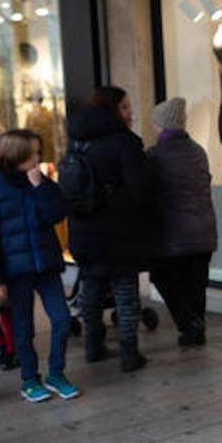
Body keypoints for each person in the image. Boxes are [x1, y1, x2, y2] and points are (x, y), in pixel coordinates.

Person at [0, 129, 79, 404]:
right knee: (23, 328)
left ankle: (56, 373)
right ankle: (30, 378)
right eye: (33, 153)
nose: (38, 158)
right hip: (16, 273)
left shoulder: (40, 183)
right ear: (17, 157)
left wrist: (41, 187)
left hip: (46, 265)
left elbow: (57, 214)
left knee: (61, 319)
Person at [65, 87, 154, 372]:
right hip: (119, 229)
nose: (130, 113)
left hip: (83, 228)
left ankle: (93, 345)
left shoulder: (77, 141)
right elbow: (141, 187)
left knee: (90, 288)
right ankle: (129, 353)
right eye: (125, 107)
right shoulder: (123, 142)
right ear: (112, 109)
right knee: (125, 291)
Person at [147, 98, 216, 348]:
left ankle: (189, 325)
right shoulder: (198, 151)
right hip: (204, 231)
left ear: (161, 125)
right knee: (195, 284)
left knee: (163, 276)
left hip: (173, 234)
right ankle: (196, 329)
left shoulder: (155, 155)